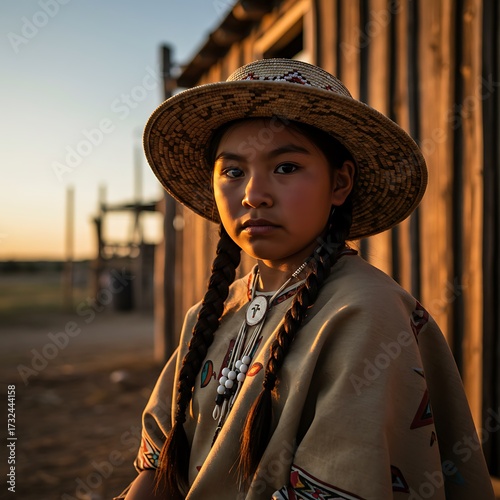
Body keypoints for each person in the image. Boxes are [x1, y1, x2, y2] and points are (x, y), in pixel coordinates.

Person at [116, 58, 494, 499]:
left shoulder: (366, 313)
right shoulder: (210, 315)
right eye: (233, 171)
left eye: (287, 167)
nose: (253, 195)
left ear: (340, 183)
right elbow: (158, 465)